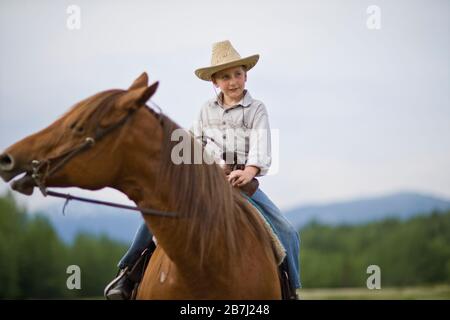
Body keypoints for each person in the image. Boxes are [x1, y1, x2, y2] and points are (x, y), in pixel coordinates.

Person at [104, 40, 301, 300]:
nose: (233, 82)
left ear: (246, 75)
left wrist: (250, 171)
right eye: (225, 77)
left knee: (287, 231)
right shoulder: (206, 110)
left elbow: (261, 143)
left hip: (243, 183)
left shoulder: (256, 109)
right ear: (215, 82)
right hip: (207, 181)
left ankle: (290, 290)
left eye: (238, 74)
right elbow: (191, 142)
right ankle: (128, 275)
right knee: (156, 215)